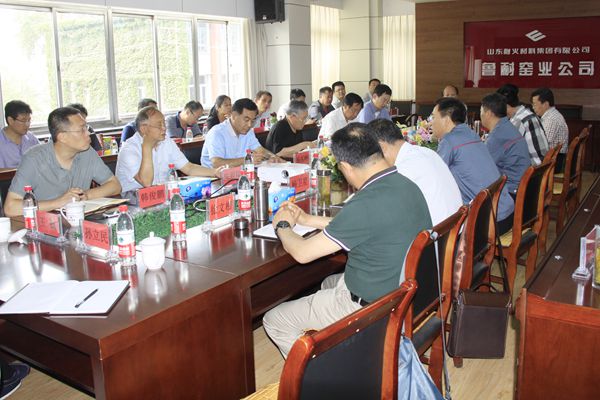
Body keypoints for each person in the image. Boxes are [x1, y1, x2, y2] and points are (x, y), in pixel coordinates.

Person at [262, 122, 432, 358]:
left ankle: (321, 375)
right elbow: (361, 225)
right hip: (399, 291)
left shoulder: (366, 203)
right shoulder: (406, 185)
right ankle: (342, 350)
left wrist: (282, 226)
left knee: (274, 319)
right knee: (327, 283)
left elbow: (302, 253)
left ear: (345, 167)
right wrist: (308, 219)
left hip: (372, 307)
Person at [3, 107, 121, 216]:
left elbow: (115, 185)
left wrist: (85, 195)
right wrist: (59, 202)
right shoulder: (34, 158)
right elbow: (10, 208)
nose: (88, 133)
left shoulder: (87, 152)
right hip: (47, 224)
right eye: (82, 130)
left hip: (80, 220)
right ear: (62, 137)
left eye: (87, 128)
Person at [431, 97, 514, 235]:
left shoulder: (449, 141)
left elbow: (435, 176)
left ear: (446, 120)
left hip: (490, 222)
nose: (431, 122)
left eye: (433, 117)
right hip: (506, 212)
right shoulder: (471, 134)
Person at [368, 119, 463, 225]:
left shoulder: (402, 170)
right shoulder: (427, 152)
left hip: (437, 232)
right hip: (455, 228)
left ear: (382, 147)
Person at [116, 106, 219, 194]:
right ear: (144, 129)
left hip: (162, 197)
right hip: (133, 203)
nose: (164, 128)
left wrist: (215, 172)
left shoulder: (167, 142)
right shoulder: (129, 149)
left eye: (164, 124)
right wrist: (147, 146)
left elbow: (188, 168)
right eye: (159, 125)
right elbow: (146, 183)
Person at [201, 98, 280, 168]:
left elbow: (260, 150)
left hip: (238, 174)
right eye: (246, 120)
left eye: (253, 121)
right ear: (234, 116)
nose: (249, 125)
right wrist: (247, 160)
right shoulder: (217, 133)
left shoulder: (248, 131)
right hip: (213, 177)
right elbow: (217, 163)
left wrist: (274, 157)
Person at [480, 93, 531, 194]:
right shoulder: (507, 126)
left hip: (510, 191)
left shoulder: (498, 135)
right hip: (522, 186)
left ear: (488, 113)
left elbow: (482, 166)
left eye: (481, 111)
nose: (480, 115)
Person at [497, 84, 548, 166]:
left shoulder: (519, 120)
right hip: (540, 164)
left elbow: (505, 149)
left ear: (506, 105)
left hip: (533, 168)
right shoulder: (526, 114)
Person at [531, 87, 569, 172]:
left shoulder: (551, 119)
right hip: (553, 158)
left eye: (535, 104)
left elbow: (542, 144)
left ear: (545, 104)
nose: (533, 108)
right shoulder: (550, 116)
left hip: (554, 162)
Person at [0, 100, 39, 169]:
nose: (27, 124)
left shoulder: (31, 139)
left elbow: (43, 161)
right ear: (10, 120)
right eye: (23, 120)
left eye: (29, 120)